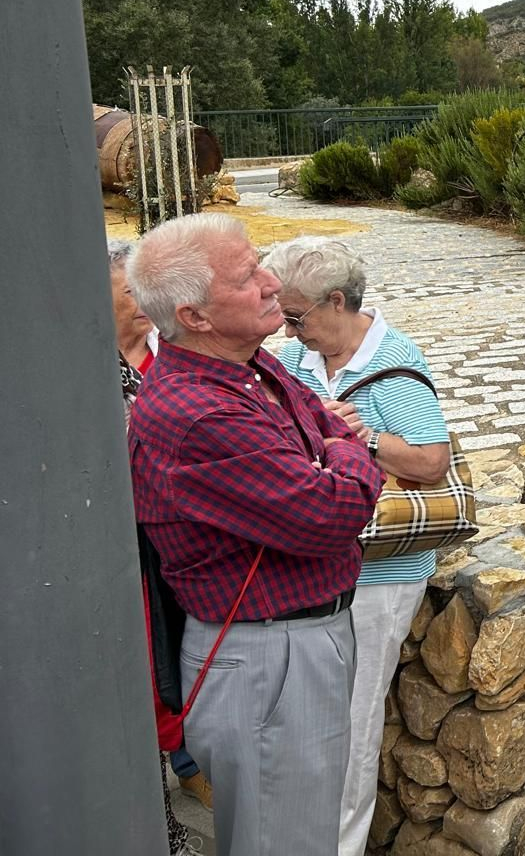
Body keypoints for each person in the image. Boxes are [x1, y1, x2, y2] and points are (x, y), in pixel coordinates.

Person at [126, 215, 384, 856]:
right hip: (272, 658)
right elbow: (332, 511)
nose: (272, 282)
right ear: (197, 315)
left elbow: (322, 421)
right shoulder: (199, 411)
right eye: (247, 277)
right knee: (286, 843)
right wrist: (349, 454)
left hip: (291, 645)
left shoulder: (250, 365)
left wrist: (330, 445)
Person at [262, 238, 451, 856]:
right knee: (308, 725)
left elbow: (432, 460)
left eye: (295, 317)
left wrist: (363, 439)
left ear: (336, 302)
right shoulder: (294, 363)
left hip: (380, 574)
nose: (287, 331)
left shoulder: (394, 362)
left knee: (354, 724)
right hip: (314, 568)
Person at [110, 240, 203, 855]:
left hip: (187, 540)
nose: (142, 304)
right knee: (146, 665)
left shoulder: (176, 358)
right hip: (127, 548)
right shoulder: (81, 370)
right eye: (127, 292)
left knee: (191, 652)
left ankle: (192, 761)